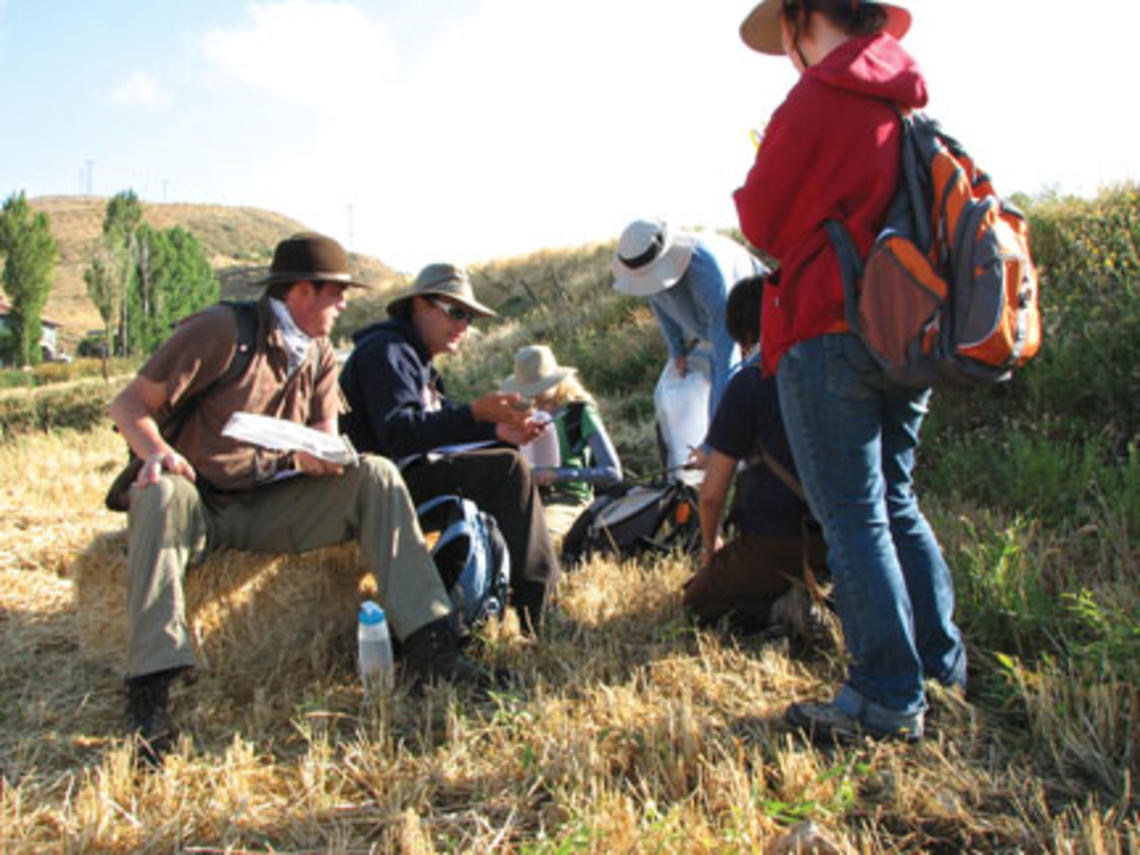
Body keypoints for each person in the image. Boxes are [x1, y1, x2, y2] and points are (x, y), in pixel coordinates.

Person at [108, 233, 497, 766]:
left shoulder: (320, 355)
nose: (342, 306)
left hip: (269, 504)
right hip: (197, 500)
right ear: (301, 292)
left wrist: (323, 457)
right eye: (336, 294)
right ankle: (149, 694)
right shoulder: (222, 330)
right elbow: (129, 404)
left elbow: (325, 433)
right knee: (157, 492)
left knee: (376, 475)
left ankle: (432, 644)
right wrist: (156, 453)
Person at [733, 0, 966, 743]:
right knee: (895, 501)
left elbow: (762, 223)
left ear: (802, 18)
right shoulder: (900, 97)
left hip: (825, 325)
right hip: (905, 330)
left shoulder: (814, 97)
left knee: (853, 514)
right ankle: (940, 670)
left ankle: (887, 694)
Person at [339, 263, 558, 632]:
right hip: (378, 489)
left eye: (469, 317)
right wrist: (476, 414)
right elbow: (400, 432)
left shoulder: (416, 360)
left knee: (505, 461)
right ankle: (540, 611)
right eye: (456, 312)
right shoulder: (386, 351)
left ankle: (505, 595)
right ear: (420, 304)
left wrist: (497, 430)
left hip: (401, 478)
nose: (464, 325)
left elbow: (436, 426)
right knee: (506, 470)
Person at [682, 276, 826, 637]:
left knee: (696, 601)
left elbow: (712, 495)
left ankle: (786, 609)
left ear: (744, 334)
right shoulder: (833, 365)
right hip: (847, 533)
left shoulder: (748, 382)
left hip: (776, 540)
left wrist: (711, 546)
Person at [611, 218, 767, 425]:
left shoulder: (708, 271)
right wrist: (677, 350)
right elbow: (660, 303)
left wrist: (716, 439)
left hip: (758, 323)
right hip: (712, 331)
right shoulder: (650, 272)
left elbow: (727, 358)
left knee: (754, 393)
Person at [499, 344, 622, 539]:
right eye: (527, 390)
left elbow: (613, 473)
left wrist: (559, 474)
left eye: (538, 388)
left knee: (537, 539)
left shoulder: (579, 413)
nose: (532, 395)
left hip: (569, 498)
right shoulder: (521, 411)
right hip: (528, 494)